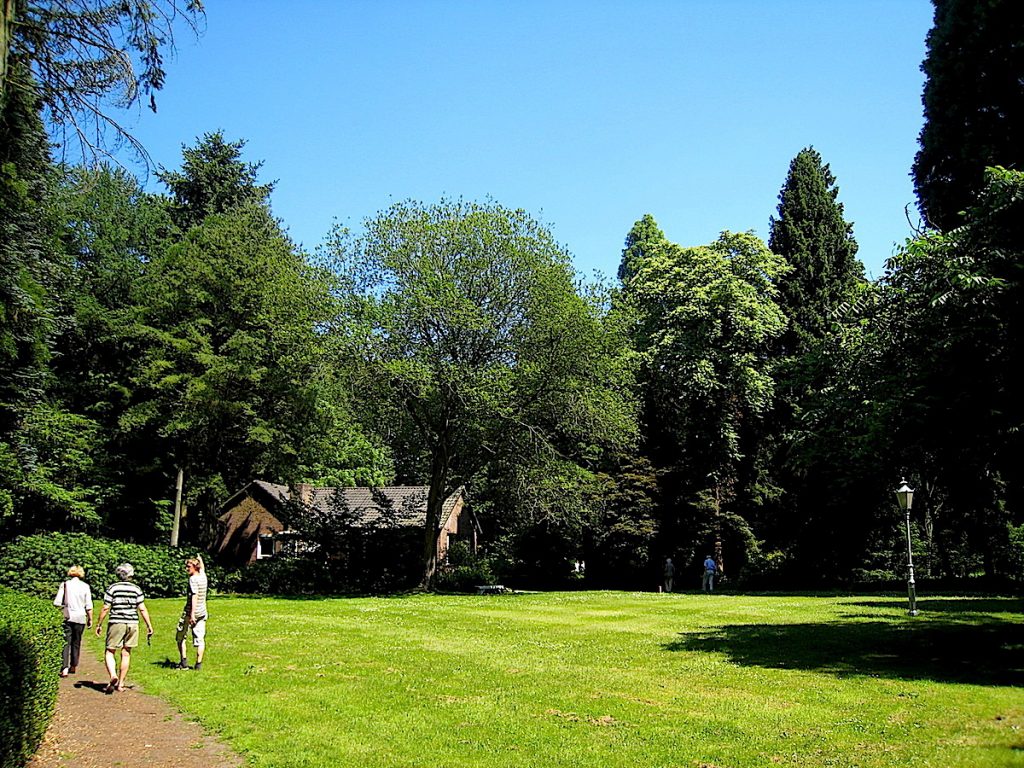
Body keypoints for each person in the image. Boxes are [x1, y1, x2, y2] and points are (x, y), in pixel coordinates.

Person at [94, 563, 153, 693]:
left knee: (110, 651)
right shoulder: (137, 589)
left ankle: (113, 675)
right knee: (126, 653)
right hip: (132, 623)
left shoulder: (113, 588)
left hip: (117, 622)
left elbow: (105, 607)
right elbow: (142, 608)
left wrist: (99, 624)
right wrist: (149, 625)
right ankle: (120, 683)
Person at [53, 565, 93, 678]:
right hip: (80, 617)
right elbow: (88, 605)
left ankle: (64, 668)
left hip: (67, 616)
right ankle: (74, 665)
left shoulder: (65, 585)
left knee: (66, 642)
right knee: (76, 642)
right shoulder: (85, 586)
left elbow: (57, 602)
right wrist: (90, 618)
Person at [176, 554, 209, 670]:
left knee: (180, 636)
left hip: (191, 612)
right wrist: (200, 558)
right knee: (200, 639)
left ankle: (183, 662)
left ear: (195, 567)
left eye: (188, 567)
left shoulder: (193, 579)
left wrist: (192, 615)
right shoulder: (203, 576)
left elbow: (194, 596)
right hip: (203, 611)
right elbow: (203, 567)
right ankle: (198, 664)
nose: (186, 569)